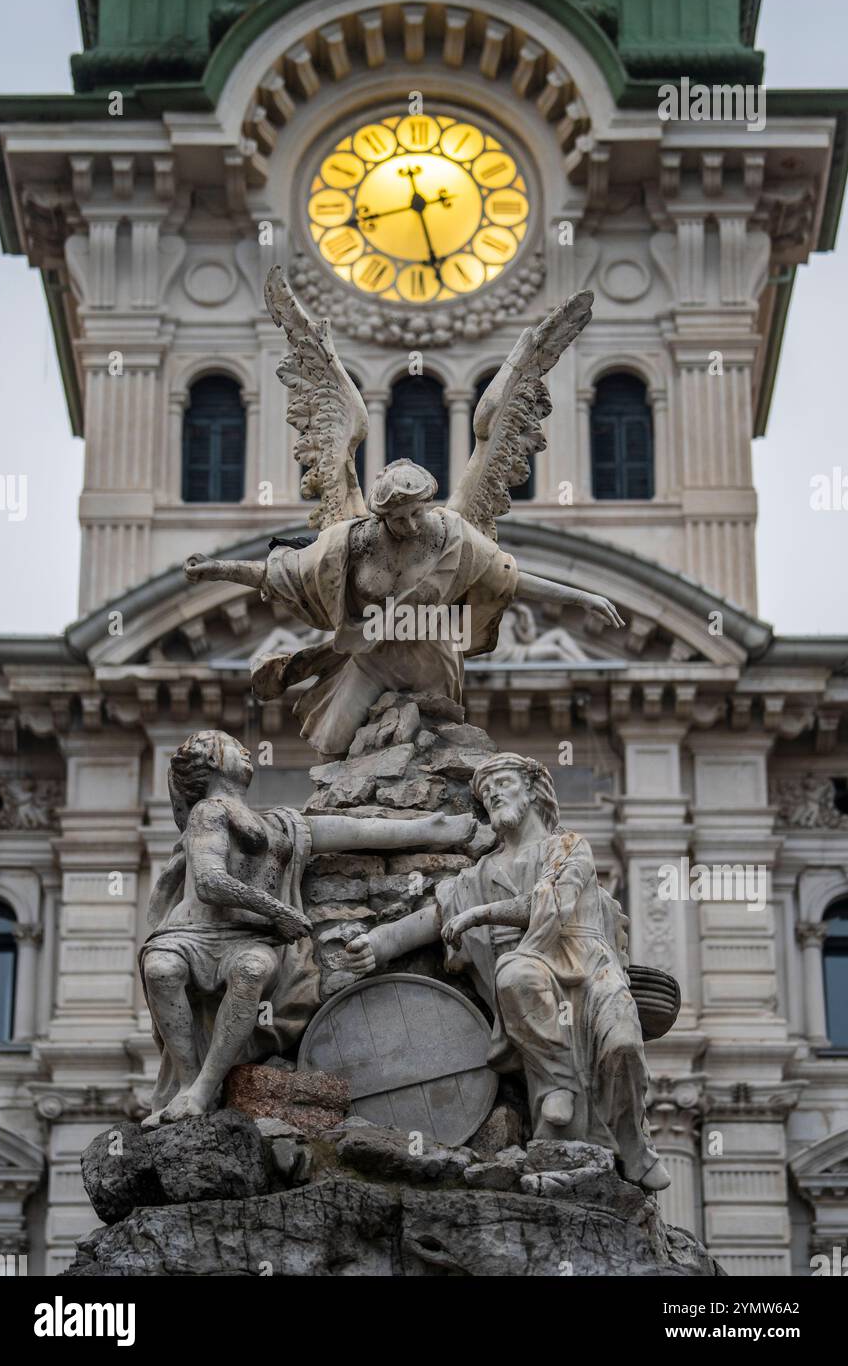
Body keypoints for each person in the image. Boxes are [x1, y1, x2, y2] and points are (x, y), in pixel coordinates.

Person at [344, 751, 670, 1191]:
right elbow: (436, 919)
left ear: (533, 789)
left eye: (503, 781)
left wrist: (480, 915)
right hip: (531, 982)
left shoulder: (569, 847)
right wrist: (379, 944)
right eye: (485, 790)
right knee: (514, 972)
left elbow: (548, 903)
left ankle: (633, 1145)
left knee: (625, 1046)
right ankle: (557, 1087)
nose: (493, 792)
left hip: (590, 969)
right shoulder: (478, 875)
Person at [140, 728, 475, 1126]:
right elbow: (211, 882)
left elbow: (353, 832)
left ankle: (203, 1087)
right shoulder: (208, 812)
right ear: (212, 763)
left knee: (253, 970)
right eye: (232, 747)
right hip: (192, 935)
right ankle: (187, 1082)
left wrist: (429, 830)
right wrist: (278, 911)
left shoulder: (282, 823)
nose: (246, 751)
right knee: (161, 968)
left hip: (248, 939)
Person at [184, 459, 623, 755]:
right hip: (373, 656)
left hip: (430, 658)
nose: (411, 525)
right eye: (399, 519)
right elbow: (278, 574)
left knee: (430, 748)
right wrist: (217, 569)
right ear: (380, 517)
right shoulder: (349, 545)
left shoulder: (452, 537)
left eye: (418, 512)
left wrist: (584, 597)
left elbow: (511, 580)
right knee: (333, 743)